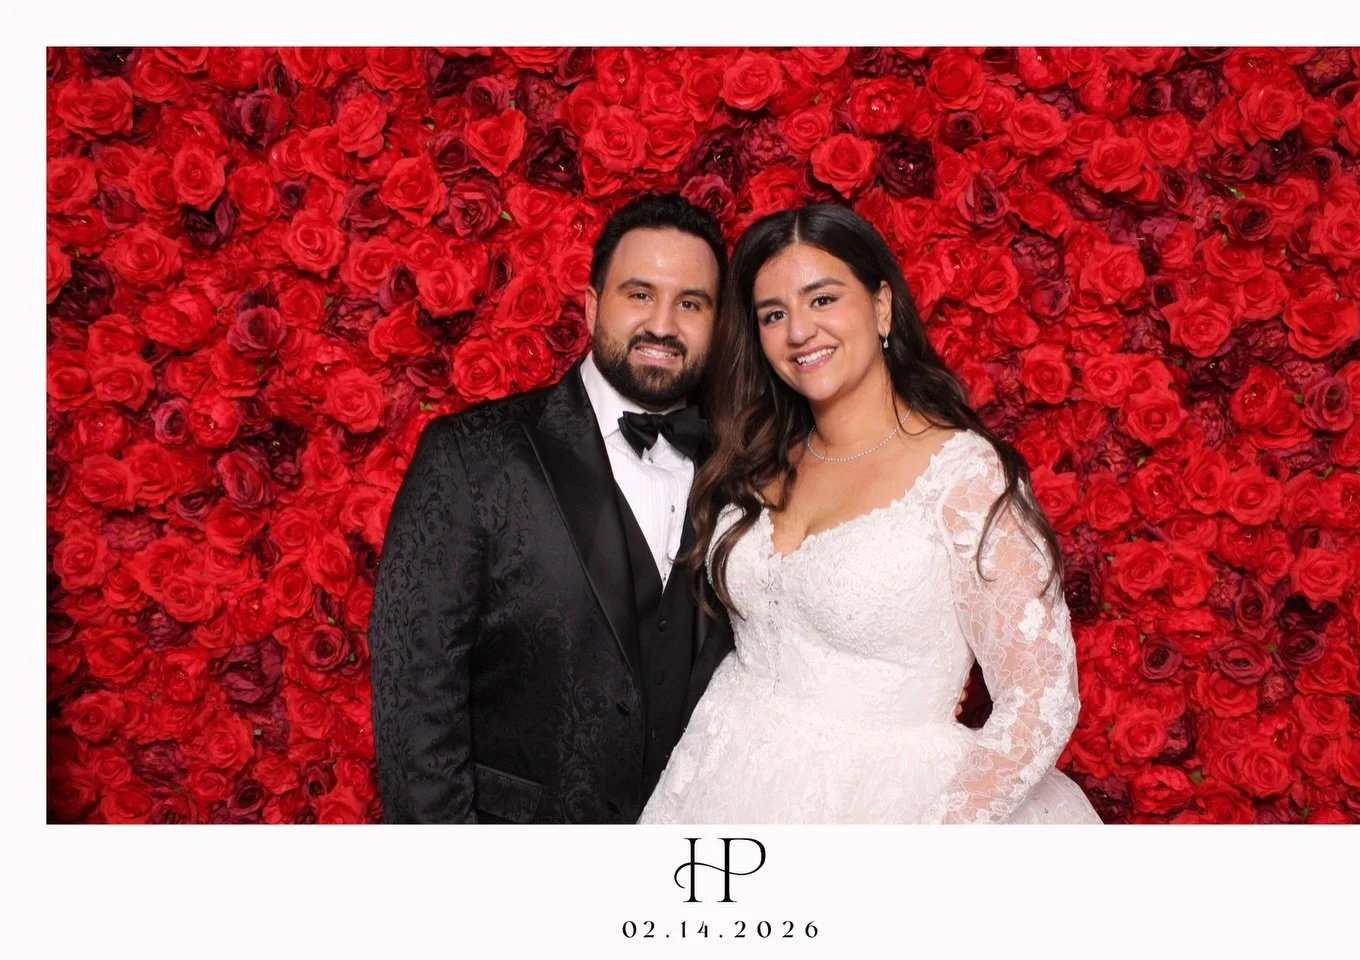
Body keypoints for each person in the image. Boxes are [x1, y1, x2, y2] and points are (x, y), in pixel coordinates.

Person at [640, 204, 1102, 824]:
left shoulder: (962, 476)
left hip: (885, 805)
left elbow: (1041, 698)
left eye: (822, 299)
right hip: (719, 775)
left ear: (882, 306)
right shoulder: (757, 456)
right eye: (773, 314)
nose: (799, 331)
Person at [369, 193, 734, 823]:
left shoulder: (744, 468)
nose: (663, 325)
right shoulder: (471, 455)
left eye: (691, 303)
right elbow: (415, 694)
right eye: (639, 294)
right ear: (593, 306)